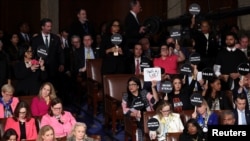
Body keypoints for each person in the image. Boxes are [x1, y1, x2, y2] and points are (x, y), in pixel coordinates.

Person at [31, 18, 65, 100]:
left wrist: (62, 63)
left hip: (54, 67)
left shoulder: (56, 38)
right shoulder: (36, 39)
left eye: (50, 26)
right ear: (42, 27)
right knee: (42, 86)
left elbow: (60, 52)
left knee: (53, 86)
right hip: (41, 68)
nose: (50, 28)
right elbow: (33, 53)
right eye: (48, 26)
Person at [122, 76, 158, 141]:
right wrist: (135, 115)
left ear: (138, 86)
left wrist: (153, 88)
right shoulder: (126, 96)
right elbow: (125, 111)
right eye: (129, 85)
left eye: (133, 84)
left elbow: (154, 101)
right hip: (135, 118)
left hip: (147, 115)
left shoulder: (144, 92)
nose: (130, 86)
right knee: (141, 124)